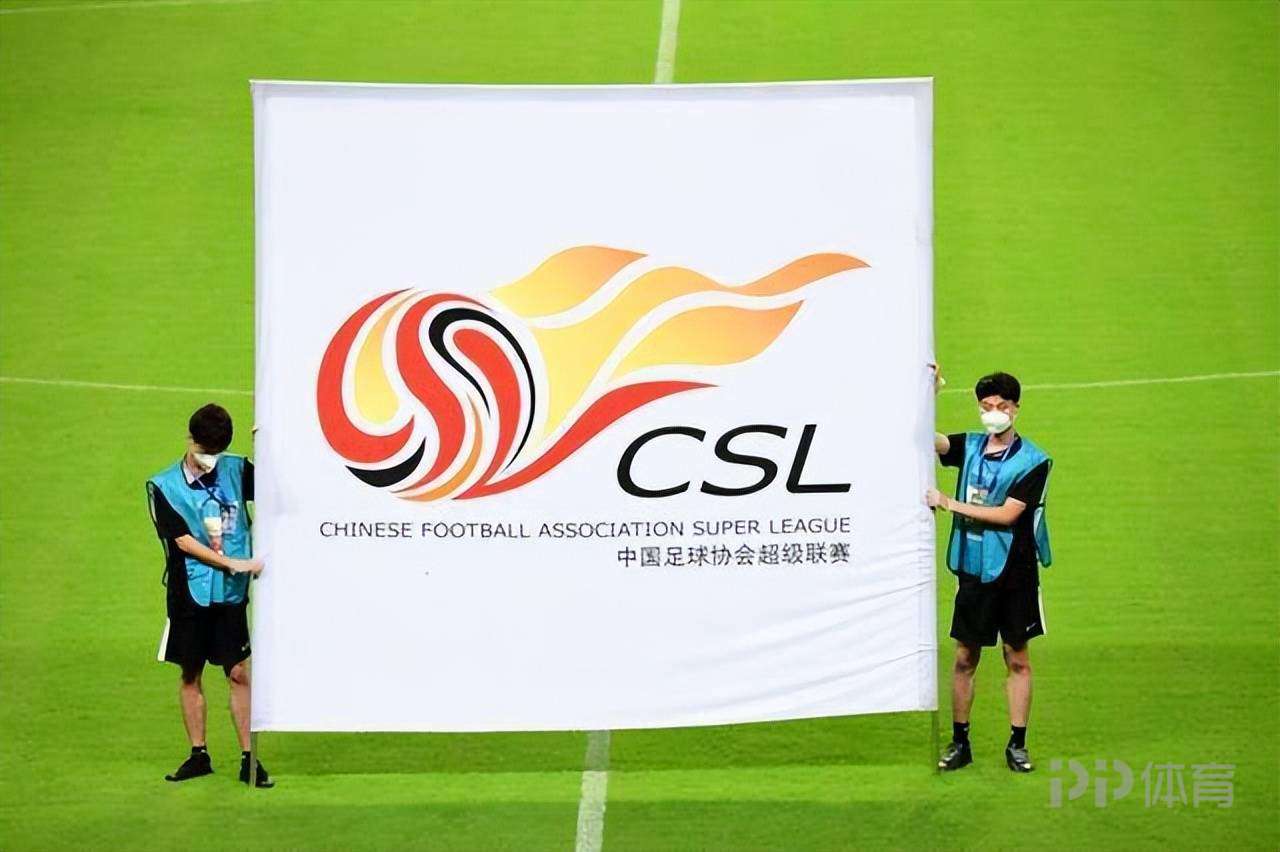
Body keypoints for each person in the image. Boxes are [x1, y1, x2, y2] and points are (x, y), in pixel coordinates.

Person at [926, 371, 1052, 773]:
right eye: (985, 407)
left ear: (1015, 408)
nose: (993, 413)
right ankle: (960, 742)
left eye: (1000, 406)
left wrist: (948, 503)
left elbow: (1007, 514)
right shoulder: (970, 446)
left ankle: (1017, 744)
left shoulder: (1034, 461)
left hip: (1015, 572)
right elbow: (927, 440)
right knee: (965, 657)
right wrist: (928, 393)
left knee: (1017, 658)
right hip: (973, 569)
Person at [145, 403, 273, 787]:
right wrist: (233, 563)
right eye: (205, 450)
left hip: (230, 595)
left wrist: (268, 448)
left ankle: (249, 758)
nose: (210, 458)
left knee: (238, 672)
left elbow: (277, 488)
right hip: (190, 594)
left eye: (217, 451)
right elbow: (183, 542)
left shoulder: (237, 470)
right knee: (191, 672)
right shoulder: (164, 486)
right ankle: (198, 754)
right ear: (190, 439)